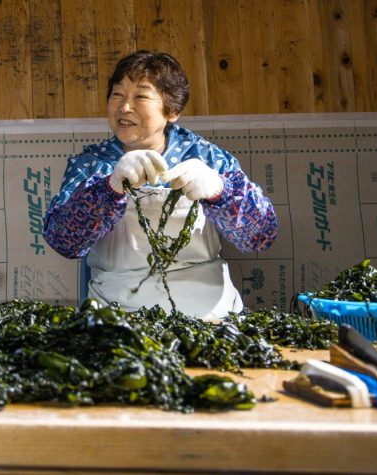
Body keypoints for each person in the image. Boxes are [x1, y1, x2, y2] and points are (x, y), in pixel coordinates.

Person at [42, 50, 277, 319]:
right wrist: (109, 187)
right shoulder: (92, 163)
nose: (124, 107)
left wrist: (220, 191)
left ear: (172, 111)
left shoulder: (208, 158)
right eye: (117, 94)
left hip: (211, 317)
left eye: (140, 96)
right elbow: (63, 241)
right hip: (117, 317)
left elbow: (260, 236)